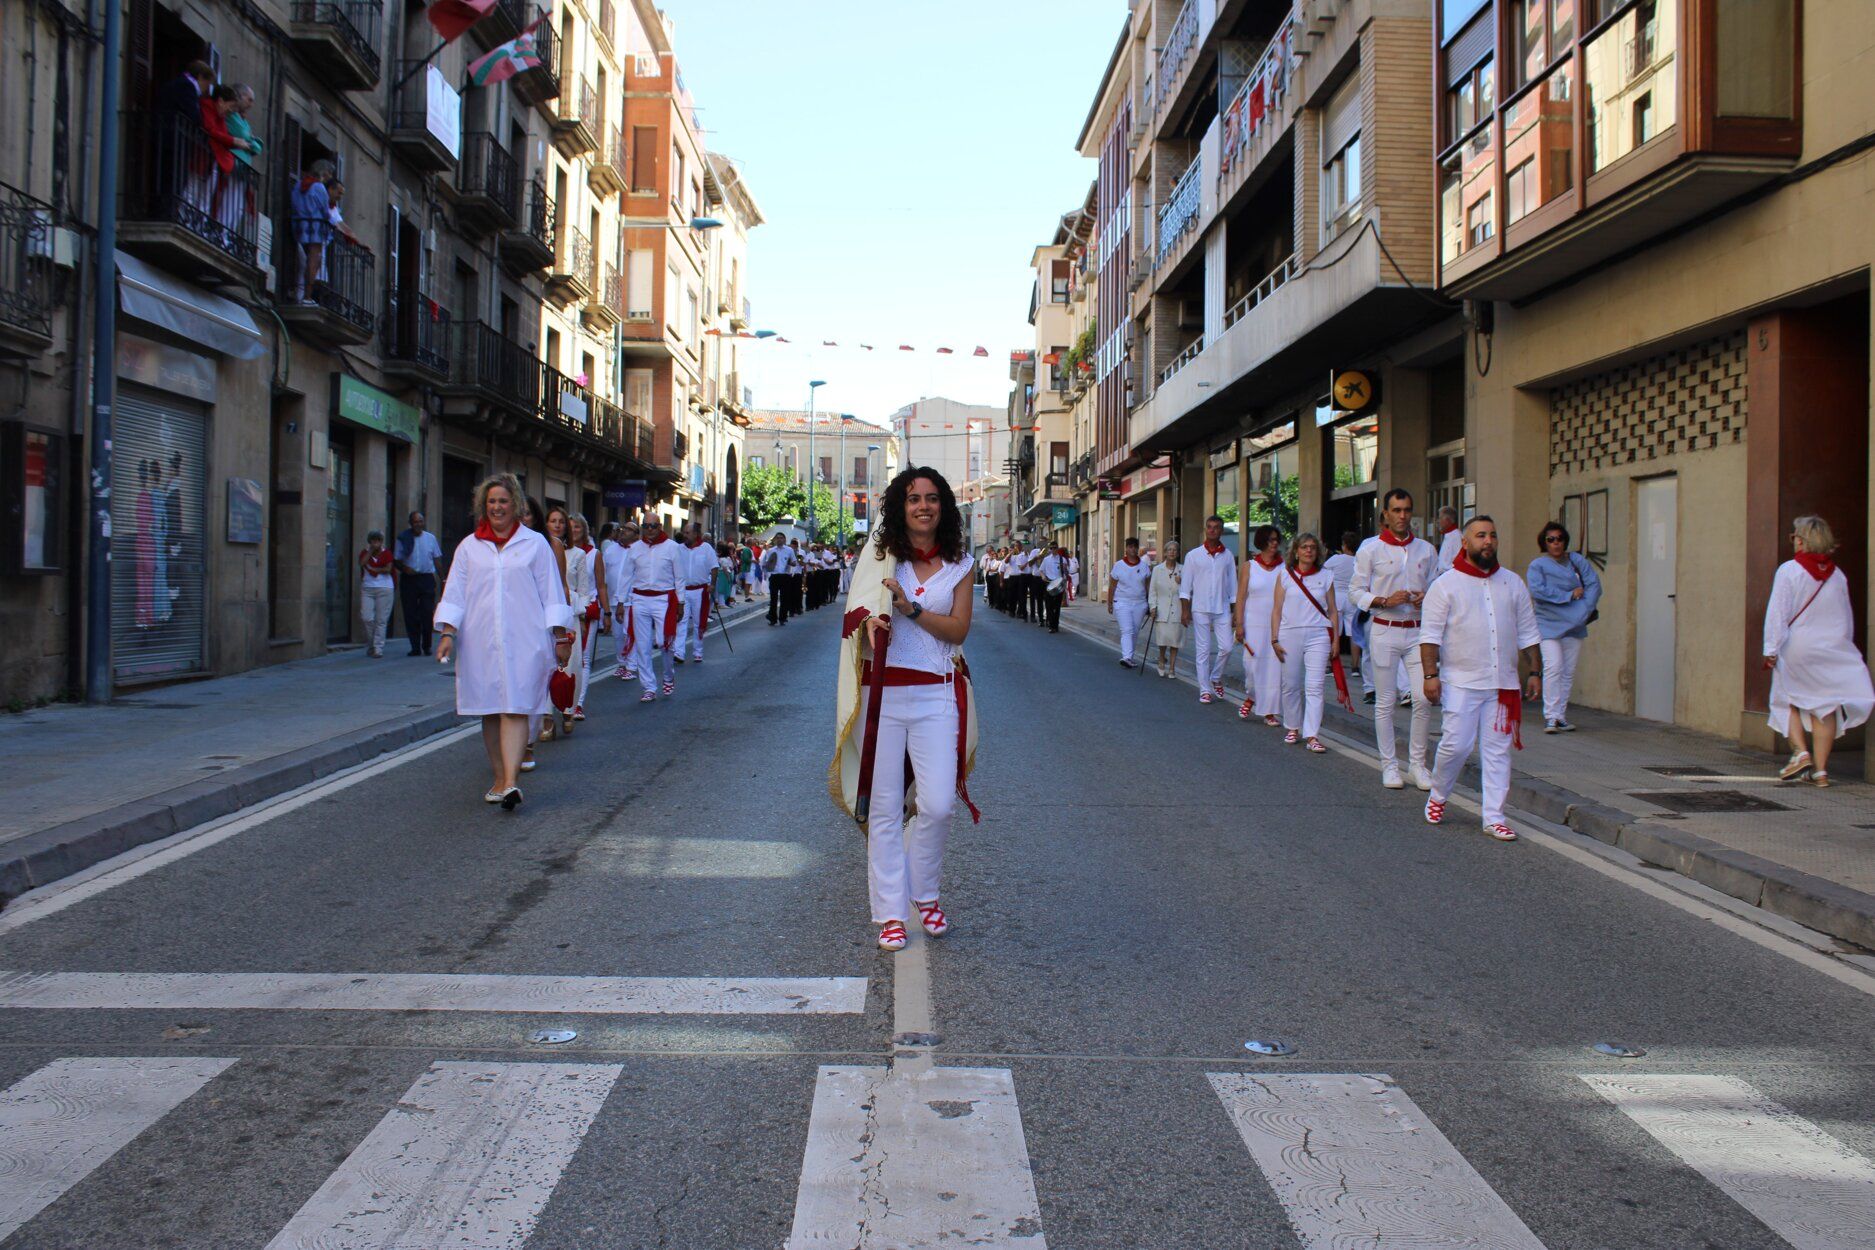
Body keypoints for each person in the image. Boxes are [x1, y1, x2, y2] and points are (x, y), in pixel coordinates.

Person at [833, 467, 979, 953]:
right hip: (883, 694)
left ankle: (925, 891)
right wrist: (870, 622)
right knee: (885, 807)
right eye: (914, 498)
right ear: (901, 506)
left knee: (937, 805)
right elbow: (854, 614)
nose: (923, 506)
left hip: (936, 693)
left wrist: (910, 609)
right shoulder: (880, 558)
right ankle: (892, 913)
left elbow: (958, 630)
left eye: (932, 498)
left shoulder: (961, 564)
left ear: (943, 507)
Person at [434, 475, 575, 810]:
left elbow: (551, 591)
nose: (497, 507)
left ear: (516, 505)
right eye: (491, 501)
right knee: (491, 710)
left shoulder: (535, 544)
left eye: (503, 501)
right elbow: (454, 592)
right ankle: (499, 778)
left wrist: (561, 636)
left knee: (515, 706)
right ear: (484, 506)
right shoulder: (469, 547)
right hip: (480, 640)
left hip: (525, 637)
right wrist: (448, 633)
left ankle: (511, 782)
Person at [1420, 515, 1542, 842]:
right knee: (1456, 746)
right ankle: (1438, 794)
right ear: (1465, 542)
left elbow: (1528, 632)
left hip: (1503, 685)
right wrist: (1430, 675)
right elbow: (1429, 636)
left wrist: (1535, 672)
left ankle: (1494, 817)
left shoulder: (1513, 583)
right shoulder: (1445, 585)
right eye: (1480, 535)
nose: (1488, 541)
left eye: (1492, 535)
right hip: (1460, 681)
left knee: (1498, 752)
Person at [1762, 515, 1875, 788]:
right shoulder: (1837, 575)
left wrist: (1771, 648)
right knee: (1825, 708)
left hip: (1798, 647)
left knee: (1786, 698)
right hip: (1832, 647)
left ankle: (1801, 753)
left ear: (1801, 541)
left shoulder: (1789, 571)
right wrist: (1843, 646)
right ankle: (1821, 772)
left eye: (1795, 537)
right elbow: (1845, 616)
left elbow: (1777, 613)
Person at [1351, 489, 1439, 790]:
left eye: (1407, 510)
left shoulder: (1426, 550)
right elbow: (1355, 591)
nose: (1402, 516)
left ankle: (1418, 764)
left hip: (1417, 631)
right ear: (1386, 514)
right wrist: (1383, 600)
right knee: (1386, 701)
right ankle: (1389, 765)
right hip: (1384, 628)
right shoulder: (1370, 549)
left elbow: (1437, 586)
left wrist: (1427, 596)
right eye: (1397, 510)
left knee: (1423, 698)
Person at [1526, 521, 1602, 733]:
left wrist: (1584, 609)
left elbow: (1594, 584)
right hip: (1548, 623)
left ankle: (1560, 716)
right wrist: (1568, 595)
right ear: (1544, 542)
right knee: (1553, 667)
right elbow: (1538, 591)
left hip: (1575, 624)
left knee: (1568, 671)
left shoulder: (1577, 560)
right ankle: (1550, 716)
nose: (1556, 543)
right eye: (1551, 539)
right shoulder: (1537, 565)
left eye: (1559, 539)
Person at [1270, 532, 1341, 753]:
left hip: (1318, 634)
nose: (1309, 551)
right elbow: (1277, 609)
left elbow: (1333, 610)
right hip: (1289, 633)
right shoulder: (1284, 575)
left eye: (1312, 547)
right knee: (1290, 684)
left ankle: (1312, 735)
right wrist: (1274, 638)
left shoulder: (1326, 576)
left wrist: (1336, 639)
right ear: (1296, 551)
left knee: (1315, 686)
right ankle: (1292, 726)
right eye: (1304, 547)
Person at [1180, 516, 1237, 704]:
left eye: (1216, 527)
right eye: (1210, 527)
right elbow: (1185, 586)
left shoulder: (1228, 556)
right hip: (1200, 608)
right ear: (1206, 529)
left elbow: (1233, 585)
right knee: (1203, 651)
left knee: (1227, 647)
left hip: (1222, 607)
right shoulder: (1193, 555)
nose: (1212, 530)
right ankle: (1204, 690)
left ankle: (1216, 676)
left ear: (1221, 531)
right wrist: (1185, 610)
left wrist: (1236, 611)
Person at [627, 514, 684, 701]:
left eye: (653, 525)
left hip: (663, 599)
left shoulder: (672, 547)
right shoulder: (634, 548)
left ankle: (668, 675)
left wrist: (681, 602)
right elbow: (626, 576)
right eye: (646, 526)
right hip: (640, 599)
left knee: (664, 642)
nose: (650, 529)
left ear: (660, 526)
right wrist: (621, 601)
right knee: (642, 646)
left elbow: (679, 577)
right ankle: (649, 687)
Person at [1235, 526, 1285, 726]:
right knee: (1252, 666)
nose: (1274, 543)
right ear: (1262, 541)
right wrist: (1239, 624)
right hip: (1253, 623)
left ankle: (1269, 711)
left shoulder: (1284, 567)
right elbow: (1241, 597)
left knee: (1274, 668)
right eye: (1271, 540)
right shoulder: (1249, 566)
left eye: (1276, 539)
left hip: (1276, 624)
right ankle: (1252, 695)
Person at [564, 513, 606, 721]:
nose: (573, 530)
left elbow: (601, 584)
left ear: (584, 530)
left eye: (577, 527)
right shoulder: (557, 550)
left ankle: (578, 703)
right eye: (570, 526)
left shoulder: (593, 554)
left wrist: (607, 612)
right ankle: (561, 700)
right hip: (562, 609)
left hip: (586, 609)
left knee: (583, 658)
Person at [395, 511, 444, 657]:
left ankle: (427, 645)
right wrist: (404, 568)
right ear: (410, 523)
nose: (418, 524)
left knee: (426, 613)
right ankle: (415, 647)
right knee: (410, 614)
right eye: (415, 522)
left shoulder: (430, 539)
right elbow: (396, 560)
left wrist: (443, 579)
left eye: (421, 521)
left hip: (426, 579)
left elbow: (437, 560)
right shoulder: (403, 538)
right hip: (409, 579)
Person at [288, 159, 335, 303]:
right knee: (313, 262)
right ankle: (307, 297)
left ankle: (299, 293)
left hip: (299, 227)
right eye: (330, 173)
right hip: (315, 229)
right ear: (324, 172)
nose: (330, 177)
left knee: (303, 262)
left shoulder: (298, 185)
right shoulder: (319, 187)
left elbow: (294, 204)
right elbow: (325, 211)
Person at [1108, 537, 1153, 667]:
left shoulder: (1144, 566)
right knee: (1127, 629)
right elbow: (1112, 585)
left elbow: (1148, 586)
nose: (1133, 549)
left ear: (1138, 549)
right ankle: (1126, 657)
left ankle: (1130, 657)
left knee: (1135, 631)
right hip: (1122, 602)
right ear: (1126, 548)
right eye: (1130, 547)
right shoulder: (1118, 565)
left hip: (1140, 603)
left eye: (1135, 547)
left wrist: (1151, 603)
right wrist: (1110, 603)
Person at [676, 522, 716, 664]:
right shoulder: (679, 548)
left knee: (699, 622)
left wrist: (712, 584)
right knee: (681, 621)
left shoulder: (706, 548)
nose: (684, 535)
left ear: (695, 534)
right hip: (683, 591)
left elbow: (714, 567)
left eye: (687, 533)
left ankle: (698, 651)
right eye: (684, 532)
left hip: (700, 590)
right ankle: (679, 652)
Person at [1325, 530, 1360, 684]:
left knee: (1334, 632)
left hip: (1337, 597)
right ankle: (1355, 667)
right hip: (1352, 598)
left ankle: (1331, 665)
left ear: (1344, 545)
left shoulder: (1336, 559)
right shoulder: (1358, 560)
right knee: (1353, 634)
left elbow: (1323, 570)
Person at [1149, 539, 1187, 678]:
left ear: (1178, 553)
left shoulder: (1183, 569)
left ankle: (1172, 668)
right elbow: (1152, 591)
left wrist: (1181, 583)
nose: (1172, 552)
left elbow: (1189, 591)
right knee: (1163, 639)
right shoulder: (1157, 570)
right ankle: (1161, 659)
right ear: (1165, 553)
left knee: (1175, 640)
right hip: (1162, 609)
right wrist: (1153, 607)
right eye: (1169, 550)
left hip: (1177, 609)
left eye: (1175, 550)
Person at [358, 530, 396, 658]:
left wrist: (375, 569)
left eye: (378, 540)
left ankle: (378, 648)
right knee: (367, 617)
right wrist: (370, 551)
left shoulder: (387, 553)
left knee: (381, 620)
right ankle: (371, 644)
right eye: (373, 540)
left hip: (385, 588)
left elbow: (388, 569)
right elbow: (362, 563)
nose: (376, 543)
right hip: (368, 588)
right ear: (369, 542)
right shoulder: (364, 552)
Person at [764, 531, 794, 625]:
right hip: (774, 576)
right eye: (777, 538)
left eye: (781, 538)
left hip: (785, 576)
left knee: (785, 598)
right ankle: (773, 618)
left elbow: (794, 562)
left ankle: (782, 618)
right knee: (773, 598)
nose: (779, 540)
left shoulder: (789, 550)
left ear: (784, 539)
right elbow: (767, 563)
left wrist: (790, 563)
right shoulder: (771, 550)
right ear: (775, 540)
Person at [1039, 545, 1065, 633]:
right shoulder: (1046, 559)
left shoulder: (1062, 559)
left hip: (1058, 584)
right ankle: (1051, 624)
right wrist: (1043, 576)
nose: (1053, 550)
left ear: (1057, 549)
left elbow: (1065, 572)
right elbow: (1041, 570)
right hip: (1049, 583)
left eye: (1054, 548)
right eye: (1051, 548)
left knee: (1057, 606)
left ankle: (1055, 625)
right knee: (1049, 605)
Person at [1433, 505, 1462, 578]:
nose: (1438, 521)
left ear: (1447, 520)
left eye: (1440, 518)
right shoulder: (1449, 535)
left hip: (1451, 577)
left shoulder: (1457, 536)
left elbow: (1459, 561)